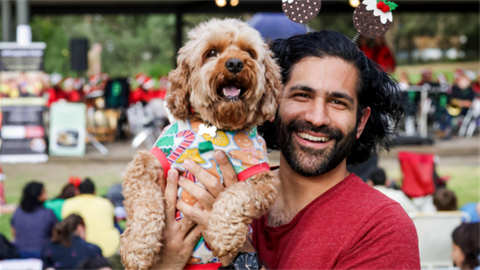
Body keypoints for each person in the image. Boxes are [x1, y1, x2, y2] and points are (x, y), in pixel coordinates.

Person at [152, 30, 420, 269]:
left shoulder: (381, 228)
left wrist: (239, 254)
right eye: (302, 95)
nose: (317, 117)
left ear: (360, 122)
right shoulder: (207, 191)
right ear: (271, 101)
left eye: (338, 102)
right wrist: (166, 263)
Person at [61, 178, 120, 258]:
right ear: (94, 191)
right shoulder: (106, 203)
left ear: (78, 191)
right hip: (109, 250)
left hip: (79, 252)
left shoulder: (68, 204)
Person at [11, 181, 58, 258]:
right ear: (38, 196)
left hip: (19, 252)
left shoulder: (18, 212)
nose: (47, 195)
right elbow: (57, 234)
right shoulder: (48, 213)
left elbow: (14, 235)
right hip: (42, 253)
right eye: (44, 192)